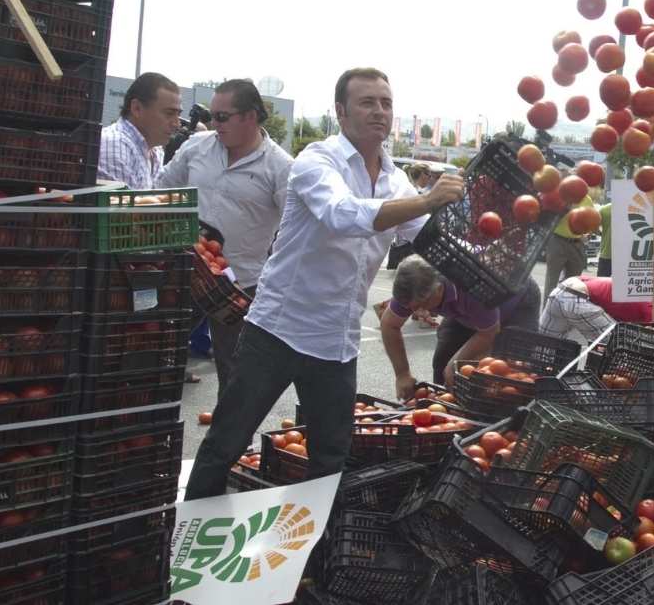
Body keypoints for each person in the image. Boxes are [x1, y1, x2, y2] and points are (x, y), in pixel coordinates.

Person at [184, 68, 464, 500]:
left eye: (386, 103)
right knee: (226, 442)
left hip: (336, 342)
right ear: (341, 111)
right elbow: (341, 214)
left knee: (329, 460)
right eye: (367, 102)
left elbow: (429, 234)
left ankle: (313, 557)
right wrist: (427, 199)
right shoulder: (317, 160)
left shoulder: (394, 179)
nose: (379, 111)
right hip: (277, 331)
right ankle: (189, 555)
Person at [155, 79, 292, 398]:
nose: (213, 124)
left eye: (222, 117)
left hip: (239, 287)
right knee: (155, 356)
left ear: (251, 116)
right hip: (182, 273)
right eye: (212, 116)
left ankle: (229, 445)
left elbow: (292, 230)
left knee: (236, 378)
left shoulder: (281, 167)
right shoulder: (196, 147)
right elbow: (161, 189)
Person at [381, 255, 540, 393]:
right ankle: (445, 411)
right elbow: (389, 325)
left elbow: (489, 332)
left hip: (518, 304)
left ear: (438, 289)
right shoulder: (412, 287)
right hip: (470, 312)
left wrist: (454, 365)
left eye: (421, 305)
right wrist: (402, 374)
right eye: (412, 307)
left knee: (509, 373)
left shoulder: (473, 286)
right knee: (443, 360)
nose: (416, 311)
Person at [98, 72, 182, 188]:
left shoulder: (155, 150)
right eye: (169, 113)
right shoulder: (114, 146)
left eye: (178, 114)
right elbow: (125, 206)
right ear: (136, 108)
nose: (177, 124)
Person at [540, 275, 654, 341]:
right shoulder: (648, 308)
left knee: (545, 343)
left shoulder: (633, 290)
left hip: (562, 289)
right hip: (575, 297)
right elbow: (648, 336)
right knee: (615, 341)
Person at [544, 178, 595, 305]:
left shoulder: (587, 200)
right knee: (552, 281)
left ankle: (566, 313)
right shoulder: (561, 196)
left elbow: (591, 221)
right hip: (558, 241)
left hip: (577, 244)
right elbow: (549, 216)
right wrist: (567, 206)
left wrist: (587, 234)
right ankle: (547, 312)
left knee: (573, 283)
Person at [596, 203, 613, 277]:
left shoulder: (604, 209)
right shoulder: (632, 208)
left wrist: (603, 234)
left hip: (607, 253)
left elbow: (594, 228)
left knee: (602, 283)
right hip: (627, 254)